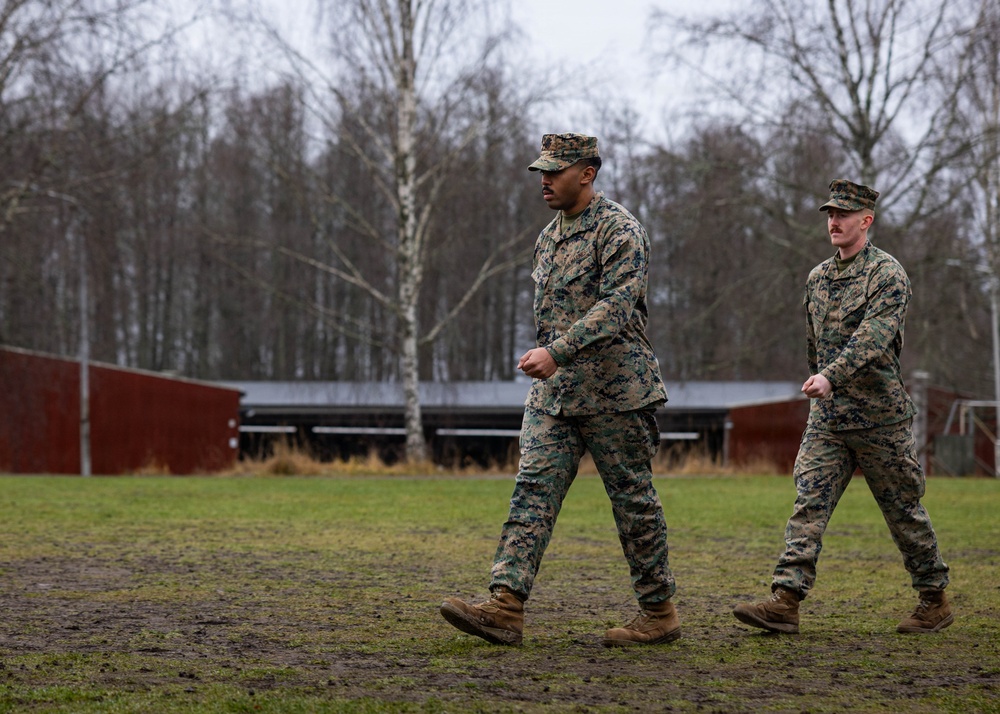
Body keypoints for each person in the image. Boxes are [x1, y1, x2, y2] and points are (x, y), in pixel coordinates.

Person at [440, 133, 679, 647]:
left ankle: (658, 611)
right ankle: (505, 604)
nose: (545, 180)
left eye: (555, 171)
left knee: (633, 503)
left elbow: (616, 309)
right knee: (532, 491)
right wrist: (550, 357)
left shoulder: (621, 231)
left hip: (617, 393)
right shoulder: (548, 237)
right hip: (556, 396)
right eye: (541, 171)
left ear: (587, 173)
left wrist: (558, 351)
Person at [732, 179, 952, 635]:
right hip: (829, 422)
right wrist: (819, 380)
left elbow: (873, 336)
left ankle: (934, 598)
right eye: (830, 214)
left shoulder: (887, 275)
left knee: (903, 512)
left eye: (843, 215)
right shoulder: (817, 278)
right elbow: (815, 344)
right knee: (808, 504)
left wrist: (831, 376)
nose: (833, 221)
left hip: (879, 420)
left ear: (865, 221)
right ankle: (785, 600)